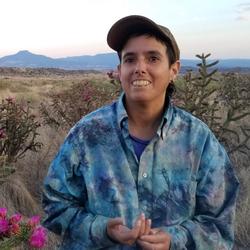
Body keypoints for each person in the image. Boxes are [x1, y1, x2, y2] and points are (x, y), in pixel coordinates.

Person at [42, 15, 239, 249]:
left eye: (153, 58)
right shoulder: (87, 134)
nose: (139, 68)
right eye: (130, 59)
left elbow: (219, 225)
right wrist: (102, 229)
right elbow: (55, 206)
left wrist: (174, 240)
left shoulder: (199, 140)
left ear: (174, 69)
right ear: (119, 70)